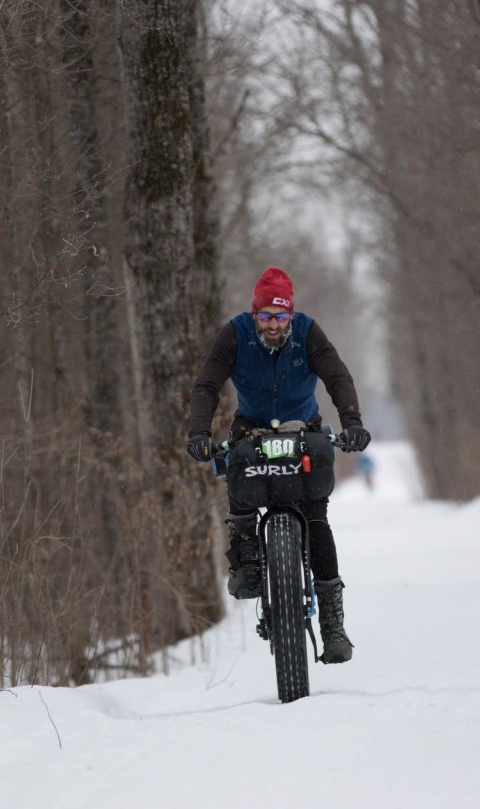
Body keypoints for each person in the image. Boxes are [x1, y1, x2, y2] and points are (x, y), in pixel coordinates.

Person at [186, 267, 371, 664]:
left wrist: (352, 424)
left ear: (292, 314)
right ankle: (247, 555)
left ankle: (332, 623)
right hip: (251, 429)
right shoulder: (234, 334)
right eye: (266, 316)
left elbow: (338, 377)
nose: (274, 324)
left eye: (281, 316)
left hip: (304, 427)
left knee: (316, 519)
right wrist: (199, 432)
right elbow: (207, 385)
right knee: (237, 481)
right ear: (254, 315)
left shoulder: (308, 333)